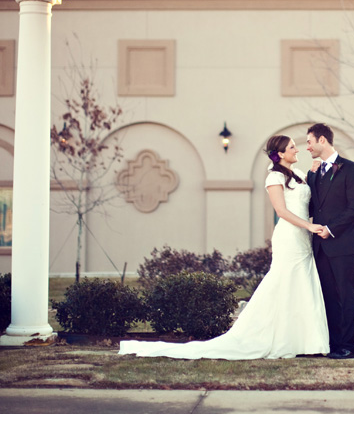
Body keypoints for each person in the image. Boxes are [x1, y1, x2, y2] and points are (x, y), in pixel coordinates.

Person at [117, 135, 329, 360]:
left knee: (302, 283)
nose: (297, 150)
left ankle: (306, 341)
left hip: (303, 239)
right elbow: (282, 212)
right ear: (281, 154)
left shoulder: (300, 175)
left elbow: (310, 201)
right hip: (289, 237)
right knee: (285, 283)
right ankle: (279, 339)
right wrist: (309, 225)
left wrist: (315, 175)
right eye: (292, 147)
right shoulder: (274, 177)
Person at [305, 123, 354, 359]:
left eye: (309, 141)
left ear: (322, 140)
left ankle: (349, 347)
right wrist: (310, 176)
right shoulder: (315, 173)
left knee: (346, 296)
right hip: (319, 247)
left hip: (342, 244)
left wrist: (330, 229)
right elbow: (311, 207)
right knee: (328, 297)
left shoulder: (351, 169)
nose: (307, 146)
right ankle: (332, 344)